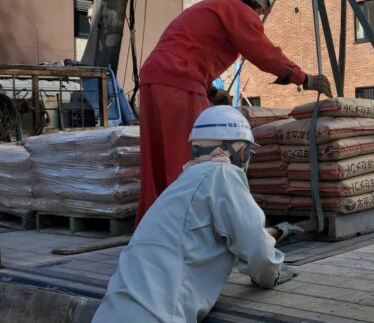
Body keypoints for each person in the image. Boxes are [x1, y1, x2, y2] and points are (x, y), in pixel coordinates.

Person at [136, 0, 332, 223]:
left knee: (156, 161)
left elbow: (188, 48)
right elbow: (263, 52)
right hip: (180, 79)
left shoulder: (213, 8)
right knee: (188, 157)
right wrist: (303, 78)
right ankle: (185, 226)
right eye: (261, 12)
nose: (259, 17)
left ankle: (152, 225)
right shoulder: (237, 11)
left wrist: (209, 91)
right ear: (259, 2)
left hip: (154, 78)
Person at [92, 106, 302, 323]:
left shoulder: (183, 184)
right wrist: (272, 273)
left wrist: (273, 232)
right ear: (241, 151)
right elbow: (257, 250)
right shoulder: (223, 173)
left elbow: (215, 234)